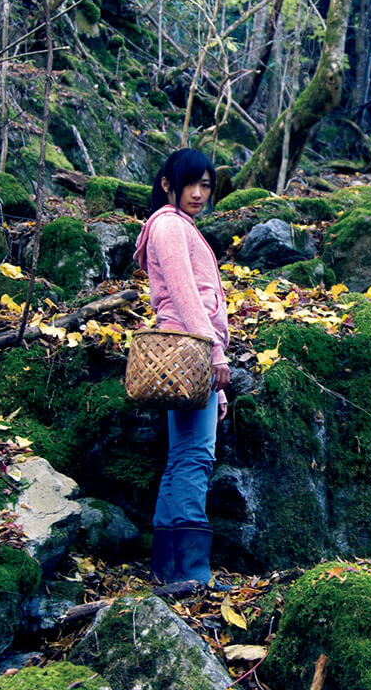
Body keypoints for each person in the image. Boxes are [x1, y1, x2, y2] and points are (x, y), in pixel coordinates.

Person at [134, 148, 231, 587]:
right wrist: (215, 357)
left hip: (185, 355)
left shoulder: (175, 225)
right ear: (167, 185)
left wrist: (219, 387)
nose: (198, 193)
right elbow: (186, 295)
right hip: (189, 351)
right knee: (195, 458)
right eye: (189, 184)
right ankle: (193, 572)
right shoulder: (170, 226)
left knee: (181, 458)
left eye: (206, 185)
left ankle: (168, 569)